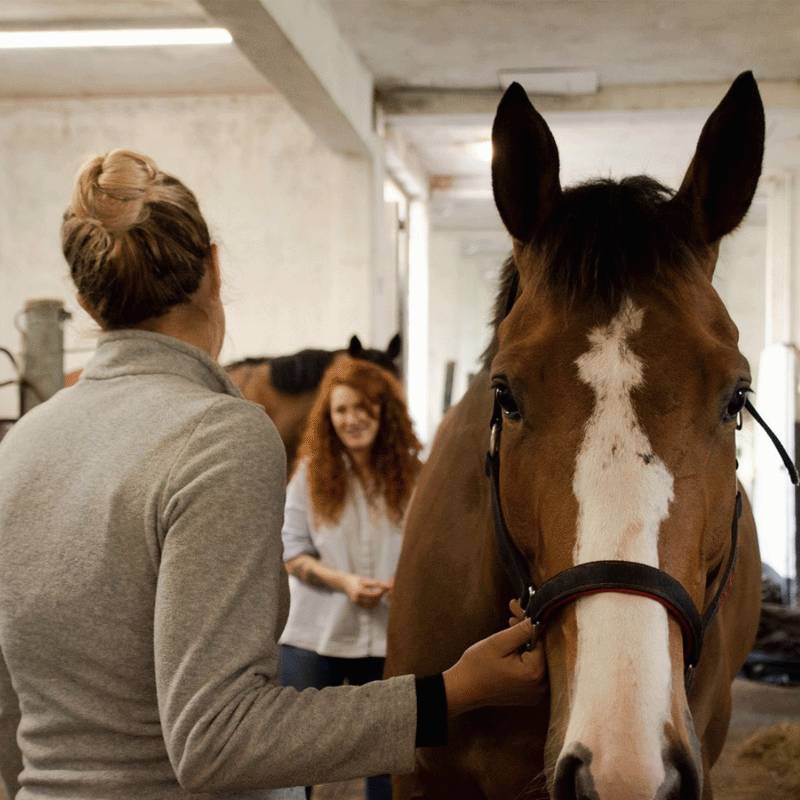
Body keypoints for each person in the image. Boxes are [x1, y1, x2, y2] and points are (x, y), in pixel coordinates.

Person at [0, 149, 546, 800]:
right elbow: (218, 741)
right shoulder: (217, 434)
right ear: (215, 266)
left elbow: (11, 708)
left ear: (88, 305)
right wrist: (456, 690)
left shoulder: (22, 443)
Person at [279, 357, 422, 800]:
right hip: (314, 632)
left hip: (386, 634)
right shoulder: (309, 474)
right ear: (328, 417)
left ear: (385, 412)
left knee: (385, 756)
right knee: (293, 751)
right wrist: (343, 582)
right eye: (341, 410)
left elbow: (430, 550)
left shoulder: (417, 475)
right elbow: (292, 551)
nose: (352, 419)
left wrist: (408, 582)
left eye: (363, 408)